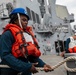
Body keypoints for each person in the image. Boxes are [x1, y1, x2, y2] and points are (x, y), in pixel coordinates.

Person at [0, 8, 53, 75]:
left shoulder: (24, 36)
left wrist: (43, 65)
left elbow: (30, 55)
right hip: (9, 71)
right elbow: (5, 56)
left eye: (27, 20)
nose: (26, 22)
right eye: (24, 20)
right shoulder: (7, 35)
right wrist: (26, 66)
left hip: (25, 71)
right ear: (16, 20)